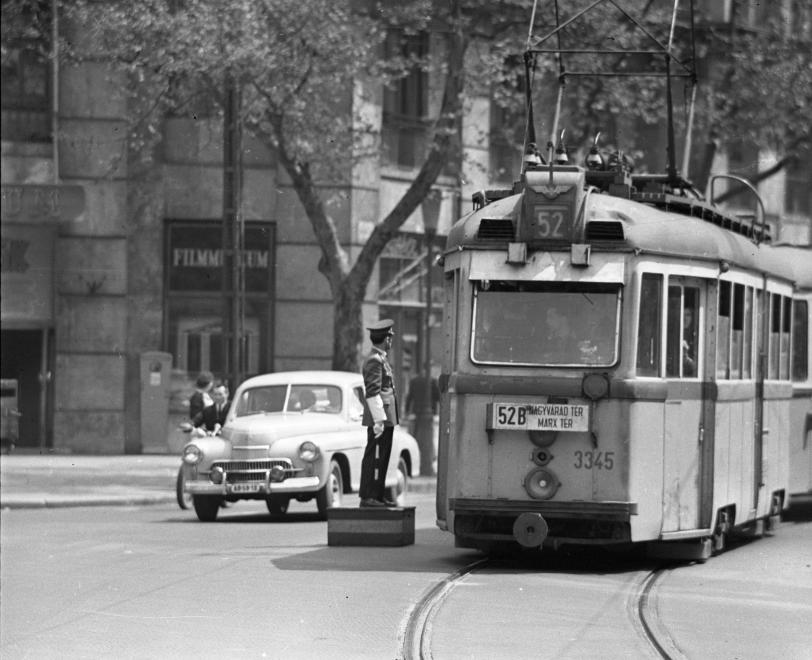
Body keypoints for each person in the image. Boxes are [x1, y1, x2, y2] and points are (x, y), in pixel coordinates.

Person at [359, 319, 399, 508]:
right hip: (380, 419)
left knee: (382, 457)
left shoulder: (380, 358)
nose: (391, 340)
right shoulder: (375, 360)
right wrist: (379, 420)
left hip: (385, 418)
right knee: (375, 457)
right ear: (385, 339)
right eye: (390, 336)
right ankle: (369, 496)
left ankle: (378, 494)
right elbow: (373, 391)